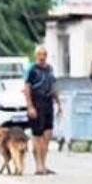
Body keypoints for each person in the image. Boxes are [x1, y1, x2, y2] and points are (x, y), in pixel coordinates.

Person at [24, 45, 62, 175]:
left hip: (48, 103)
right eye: (40, 54)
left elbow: (53, 87)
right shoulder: (32, 69)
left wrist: (59, 103)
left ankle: (44, 164)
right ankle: (38, 165)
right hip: (36, 103)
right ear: (36, 55)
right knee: (37, 136)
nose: (42, 57)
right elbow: (27, 88)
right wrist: (30, 106)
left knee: (47, 135)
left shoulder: (49, 69)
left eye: (44, 54)